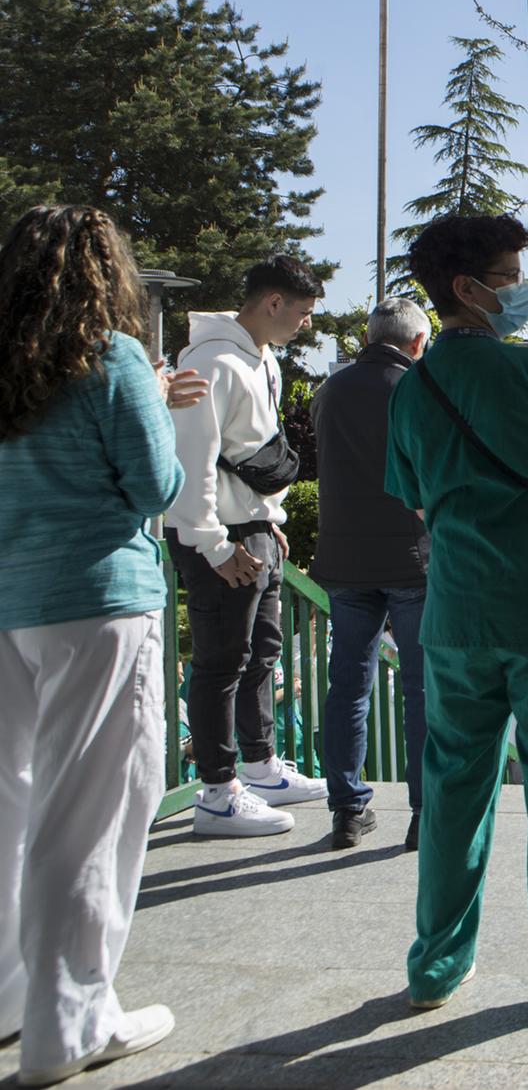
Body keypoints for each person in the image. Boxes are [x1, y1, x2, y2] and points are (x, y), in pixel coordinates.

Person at [385, 213, 528, 1014]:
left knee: (453, 785)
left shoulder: (412, 388)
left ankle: (437, 966)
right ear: (468, 288)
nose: (519, 289)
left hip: (457, 609)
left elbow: (416, 501)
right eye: (511, 275)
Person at [0, 206, 200, 1085]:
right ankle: (71, 1021)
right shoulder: (111, 359)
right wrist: (152, 397)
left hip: (9, 601)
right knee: (95, 812)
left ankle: (12, 998)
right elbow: (155, 482)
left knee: (13, 807)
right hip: (96, 601)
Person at [166, 253, 329, 837]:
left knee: (261, 652)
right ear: (273, 303)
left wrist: (267, 519)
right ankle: (217, 790)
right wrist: (213, 543)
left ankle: (258, 767)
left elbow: (246, 456)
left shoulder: (260, 360)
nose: (307, 323)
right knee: (220, 661)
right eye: (304, 312)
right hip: (221, 537)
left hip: (253, 530)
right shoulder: (212, 362)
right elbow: (193, 463)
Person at [311, 296, 433, 850]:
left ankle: (347, 808)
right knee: (421, 690)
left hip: (344, 559)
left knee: (348, 686)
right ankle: (425, 812)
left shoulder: (330, 389)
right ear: (414, 344)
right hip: (411, 561)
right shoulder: (416, 389)